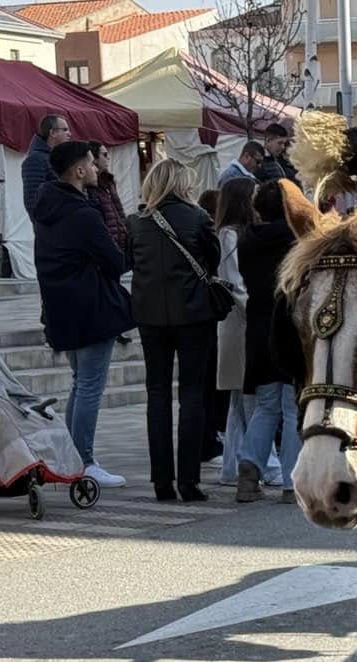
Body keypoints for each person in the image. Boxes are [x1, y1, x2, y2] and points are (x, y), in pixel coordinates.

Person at [31, 140, 133, 488]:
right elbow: (116, 261)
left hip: (62, 309)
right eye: (90, 163)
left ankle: (73, 458)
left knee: (80, 384)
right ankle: (84, 460)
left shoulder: (46, 208)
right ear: (77, 171)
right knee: (90, 387)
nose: (95, 168)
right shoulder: (83, 213)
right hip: (92, 309)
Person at [127, 159, 222, 502]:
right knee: (193, 394)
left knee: (157, 394)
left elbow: (130, 261)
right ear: (182, 185)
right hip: (194, 314)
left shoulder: (137, 222)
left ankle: (161, 481)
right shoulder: (197, 218)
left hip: (150, 315)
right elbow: (213, 260)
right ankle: (189, 481)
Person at [235, 181, 300, 504]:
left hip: (258, 325)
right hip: (289, 324)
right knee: (292, 408)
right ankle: (292, 482)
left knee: (265, 405)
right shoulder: (296, 241)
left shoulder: (247, 240)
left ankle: (249, 469)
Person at [213, 178, 254, 486]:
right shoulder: (229, 234)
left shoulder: (233, 233)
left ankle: (234, 465)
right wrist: (253, 308)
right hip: (240, 320)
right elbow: (234, 280)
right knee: (245, 395)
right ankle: (247, 463)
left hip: (238, 319)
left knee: (240, 398)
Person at [22, 115, 70, 215]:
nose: (69, 134)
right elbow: (33, 202)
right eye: (65, 130)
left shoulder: (56, 157)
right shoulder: (36, 159)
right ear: (53, 133)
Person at [85, 141, 128, 251]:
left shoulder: (109, 181)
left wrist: (126, 231)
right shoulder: (88, 186)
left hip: (121, 241)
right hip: (105, 246)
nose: (108, 158)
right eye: (104, 154)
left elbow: (119, 210)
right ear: (93, 158)